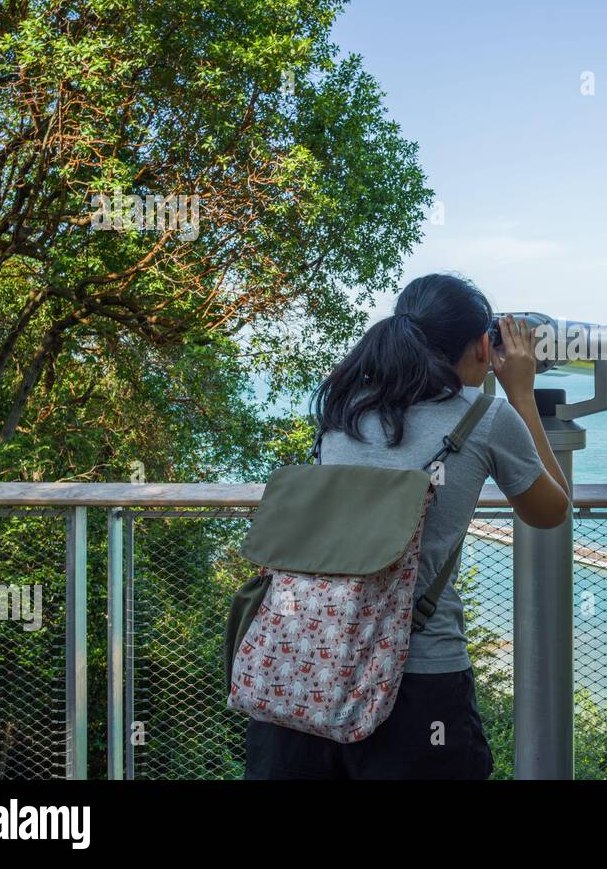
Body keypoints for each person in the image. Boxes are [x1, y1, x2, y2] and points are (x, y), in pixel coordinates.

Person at [244, 273, 570, 779]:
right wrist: (521, 395)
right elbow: (550, 511)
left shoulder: (347, 408)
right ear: (483, 346)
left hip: (307, 660)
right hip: (419, 680)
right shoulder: (487, 418)